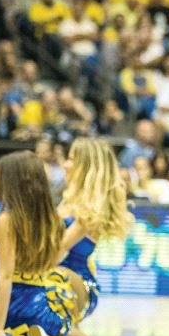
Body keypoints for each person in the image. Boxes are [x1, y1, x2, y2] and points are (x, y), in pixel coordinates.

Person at [0, 151, 103, 336]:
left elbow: (5, 276)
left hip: (1, 305)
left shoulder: (7, 219)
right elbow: (51, 261)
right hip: (35, 303)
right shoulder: (51, 220)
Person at [57, 138, 135, 322]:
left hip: (73, 284)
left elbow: (59, 249)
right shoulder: (69, 202)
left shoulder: (88, 213)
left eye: (70, 159)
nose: (65, 165)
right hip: (60, 278)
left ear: (85, 166)